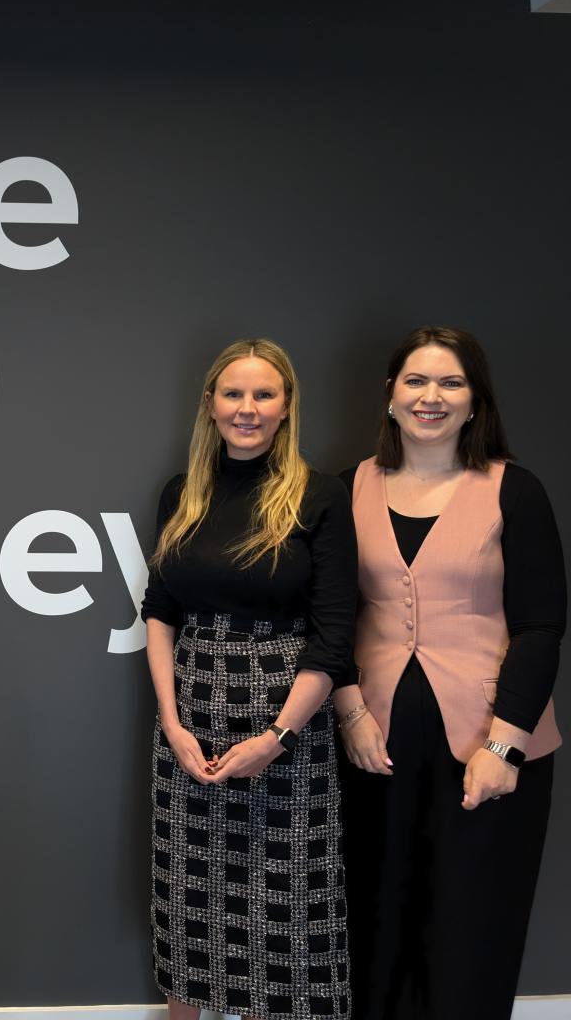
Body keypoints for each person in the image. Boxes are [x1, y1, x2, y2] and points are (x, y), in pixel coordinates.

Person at [336, 326, 563, 1020]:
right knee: (373, 931)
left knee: (471, 936)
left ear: (475, 401)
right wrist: (349, 713)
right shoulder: (347, 487)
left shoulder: (514, 490)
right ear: (390, 395)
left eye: (451, 383)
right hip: (372, 750)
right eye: (416, 381)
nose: (431, 397)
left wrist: (504, 745)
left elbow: (541, 625)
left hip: (486, 750)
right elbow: (329, 617)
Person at [140, 339, 356, 1020]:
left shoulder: (319, 496)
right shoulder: (183, 492)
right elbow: (160, 613)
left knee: (283, 909)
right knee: (189, 902)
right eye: (233, 394)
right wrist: (171, 723)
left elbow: (332, 638)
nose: (248, 408)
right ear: (210, 404)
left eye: (264, 395)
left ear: (287, 406)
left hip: (285, 724)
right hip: (191, 725)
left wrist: (277, 737)